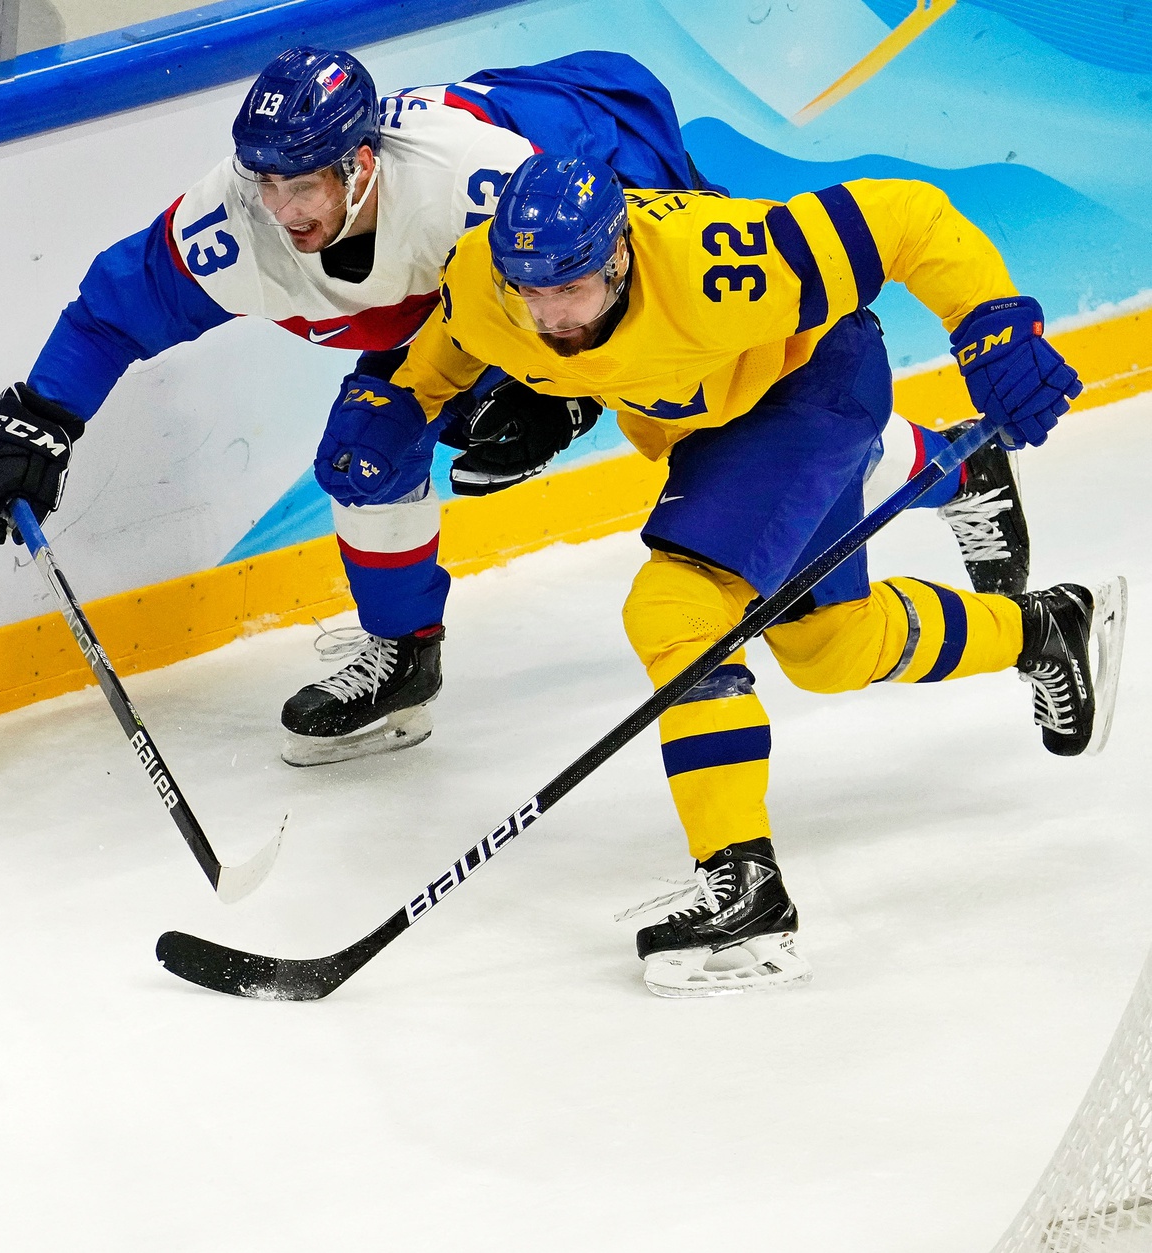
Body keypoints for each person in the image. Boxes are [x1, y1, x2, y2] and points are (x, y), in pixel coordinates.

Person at [0, 46, 1032, 767]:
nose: (281, 210)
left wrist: (554, 396)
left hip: (591, 204)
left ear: (364, 162)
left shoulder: (479, 178)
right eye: (264, 181)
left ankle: (939, 460)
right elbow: (112, 312)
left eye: (306, 185)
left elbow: (588, 272)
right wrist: (38, 417)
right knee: (366, 445)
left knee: (714, 416)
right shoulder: (231, 228)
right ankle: (404, 659)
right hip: (457, 308)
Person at [326, 153, 1123, 997]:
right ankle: (1045, 629)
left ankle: (747, 895)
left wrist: (988, 317)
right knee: (829, 649)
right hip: (714, 425)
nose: (548, 315)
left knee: (675, 606)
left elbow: (908, 217)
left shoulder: (715, 263)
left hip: (812, 389)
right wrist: (401, 406)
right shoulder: (495, 282)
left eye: (569, 289)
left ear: (618, 257)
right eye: (530, 291)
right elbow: (454, 342)